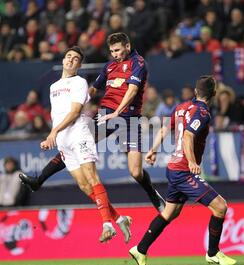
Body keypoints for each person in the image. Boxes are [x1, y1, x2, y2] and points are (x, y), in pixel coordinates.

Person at [19, 32, 166, 212]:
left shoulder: (139, 63)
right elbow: (94, 89)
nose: (115, 54)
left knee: (136, 172)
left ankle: (152, 194)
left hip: (129, 119)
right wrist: (79, 100)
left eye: (118, 50)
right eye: (112, 51)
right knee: (76, 141)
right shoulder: (109, 66)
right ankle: (38, 180)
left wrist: (118, 112)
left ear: (127, 47)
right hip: (105, 114)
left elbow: (133, 90)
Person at [129, 75, 237, 265]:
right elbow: (188, 136)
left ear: (196, 92)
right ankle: (213, 253)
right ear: (213, 93)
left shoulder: (180, 108)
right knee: (220, 207)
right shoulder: (202, 112)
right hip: (183, 171)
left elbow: (164, 129)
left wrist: (153, 150)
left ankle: (140, 249)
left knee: (170, 213)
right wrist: (193, 162)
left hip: (173, 167)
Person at [40, 46, 132, 243]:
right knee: (83, 185)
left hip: (78, 134)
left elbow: (74, 113)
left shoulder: (79, 82)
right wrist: (56, 134)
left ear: (79, 65)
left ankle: (107, 224)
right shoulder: (53, 87)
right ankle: (120, 219)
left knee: (92, 177)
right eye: (68, 57)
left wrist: (53, 132)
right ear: (63, 60)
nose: (71, 60)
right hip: (63, 141)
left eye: (75, 59)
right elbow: (57, 113)